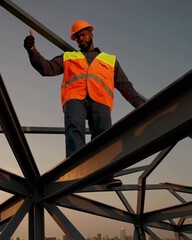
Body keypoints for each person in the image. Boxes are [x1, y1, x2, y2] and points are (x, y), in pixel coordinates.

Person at [24, 20, 146, 187]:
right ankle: (76, 171)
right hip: (75, 98)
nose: (80, 38)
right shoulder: (69, 57)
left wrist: (139, 103)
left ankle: (104, 174)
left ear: (91, 34)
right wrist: (32, 51)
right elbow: (47, 68)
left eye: (83, 34)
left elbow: (124, 84)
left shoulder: (110, 60)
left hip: (100, 100)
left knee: (103, 135)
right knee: (74, 128)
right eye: (77, 37)